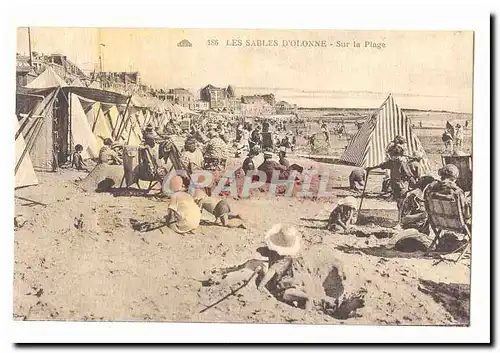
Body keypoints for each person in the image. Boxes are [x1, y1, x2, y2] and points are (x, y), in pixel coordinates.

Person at [257, 224, 314, 310]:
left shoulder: (284, 259)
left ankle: (307, 312)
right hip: (282, 284)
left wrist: (261, 286)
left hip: (285, 288)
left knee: (306, 298)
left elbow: (272, 271)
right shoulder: (276, 253)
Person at [366, 145, 415, 211]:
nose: (391, 157)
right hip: (395, 186)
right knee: (399, 203)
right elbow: (382, 165)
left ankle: (403, 217)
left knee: (402, 203)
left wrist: (415, 183)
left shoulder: (402, 163)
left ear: (398, 155)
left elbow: (409, 175)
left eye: (392, 155)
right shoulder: (392, 162)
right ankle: (401, 217)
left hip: (402, 186)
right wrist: (371, 168)